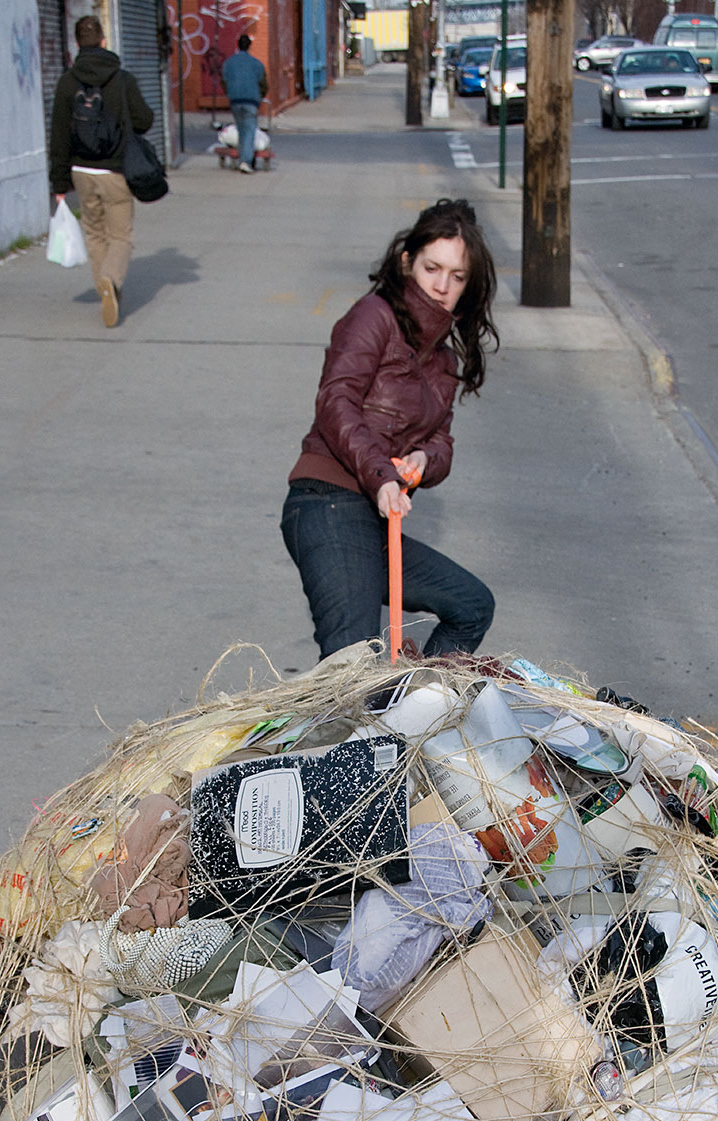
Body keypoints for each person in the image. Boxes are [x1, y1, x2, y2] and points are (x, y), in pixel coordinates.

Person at [280, 199, 499, 660]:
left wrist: (424, 459)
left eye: (456, 277)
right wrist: (381, 476)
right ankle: (333, 731)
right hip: (329, 502)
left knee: (471, 606)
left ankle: (416, 709)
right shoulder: (373, 315)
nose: (442, 286)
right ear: (407, 262)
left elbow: (441, 438)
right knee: (350, 665)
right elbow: (335, 400)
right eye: (432, 268)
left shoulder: (442, 357)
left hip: (375, 515)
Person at [48, 15, 154, 327]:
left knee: (94, 232)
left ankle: (104, 289)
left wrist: (59, 182)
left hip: (81, 171)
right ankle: (111, 279)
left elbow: (59, 135)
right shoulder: (122, 79)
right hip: (116, 171)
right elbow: (145, 120)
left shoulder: (67, 82)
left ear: (77, 43)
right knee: (121, 235)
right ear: (104, 41)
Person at [220, 34, 268, 175]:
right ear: (249, 46)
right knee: (249, 131)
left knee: (241, 130)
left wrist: (230, 93)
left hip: (235, 100)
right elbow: (263, 84)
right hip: (251, 100)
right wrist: (259, 96)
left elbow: (224, 81)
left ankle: (243, 158)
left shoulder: (229, 63)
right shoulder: (256, 64)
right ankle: (246, 161)